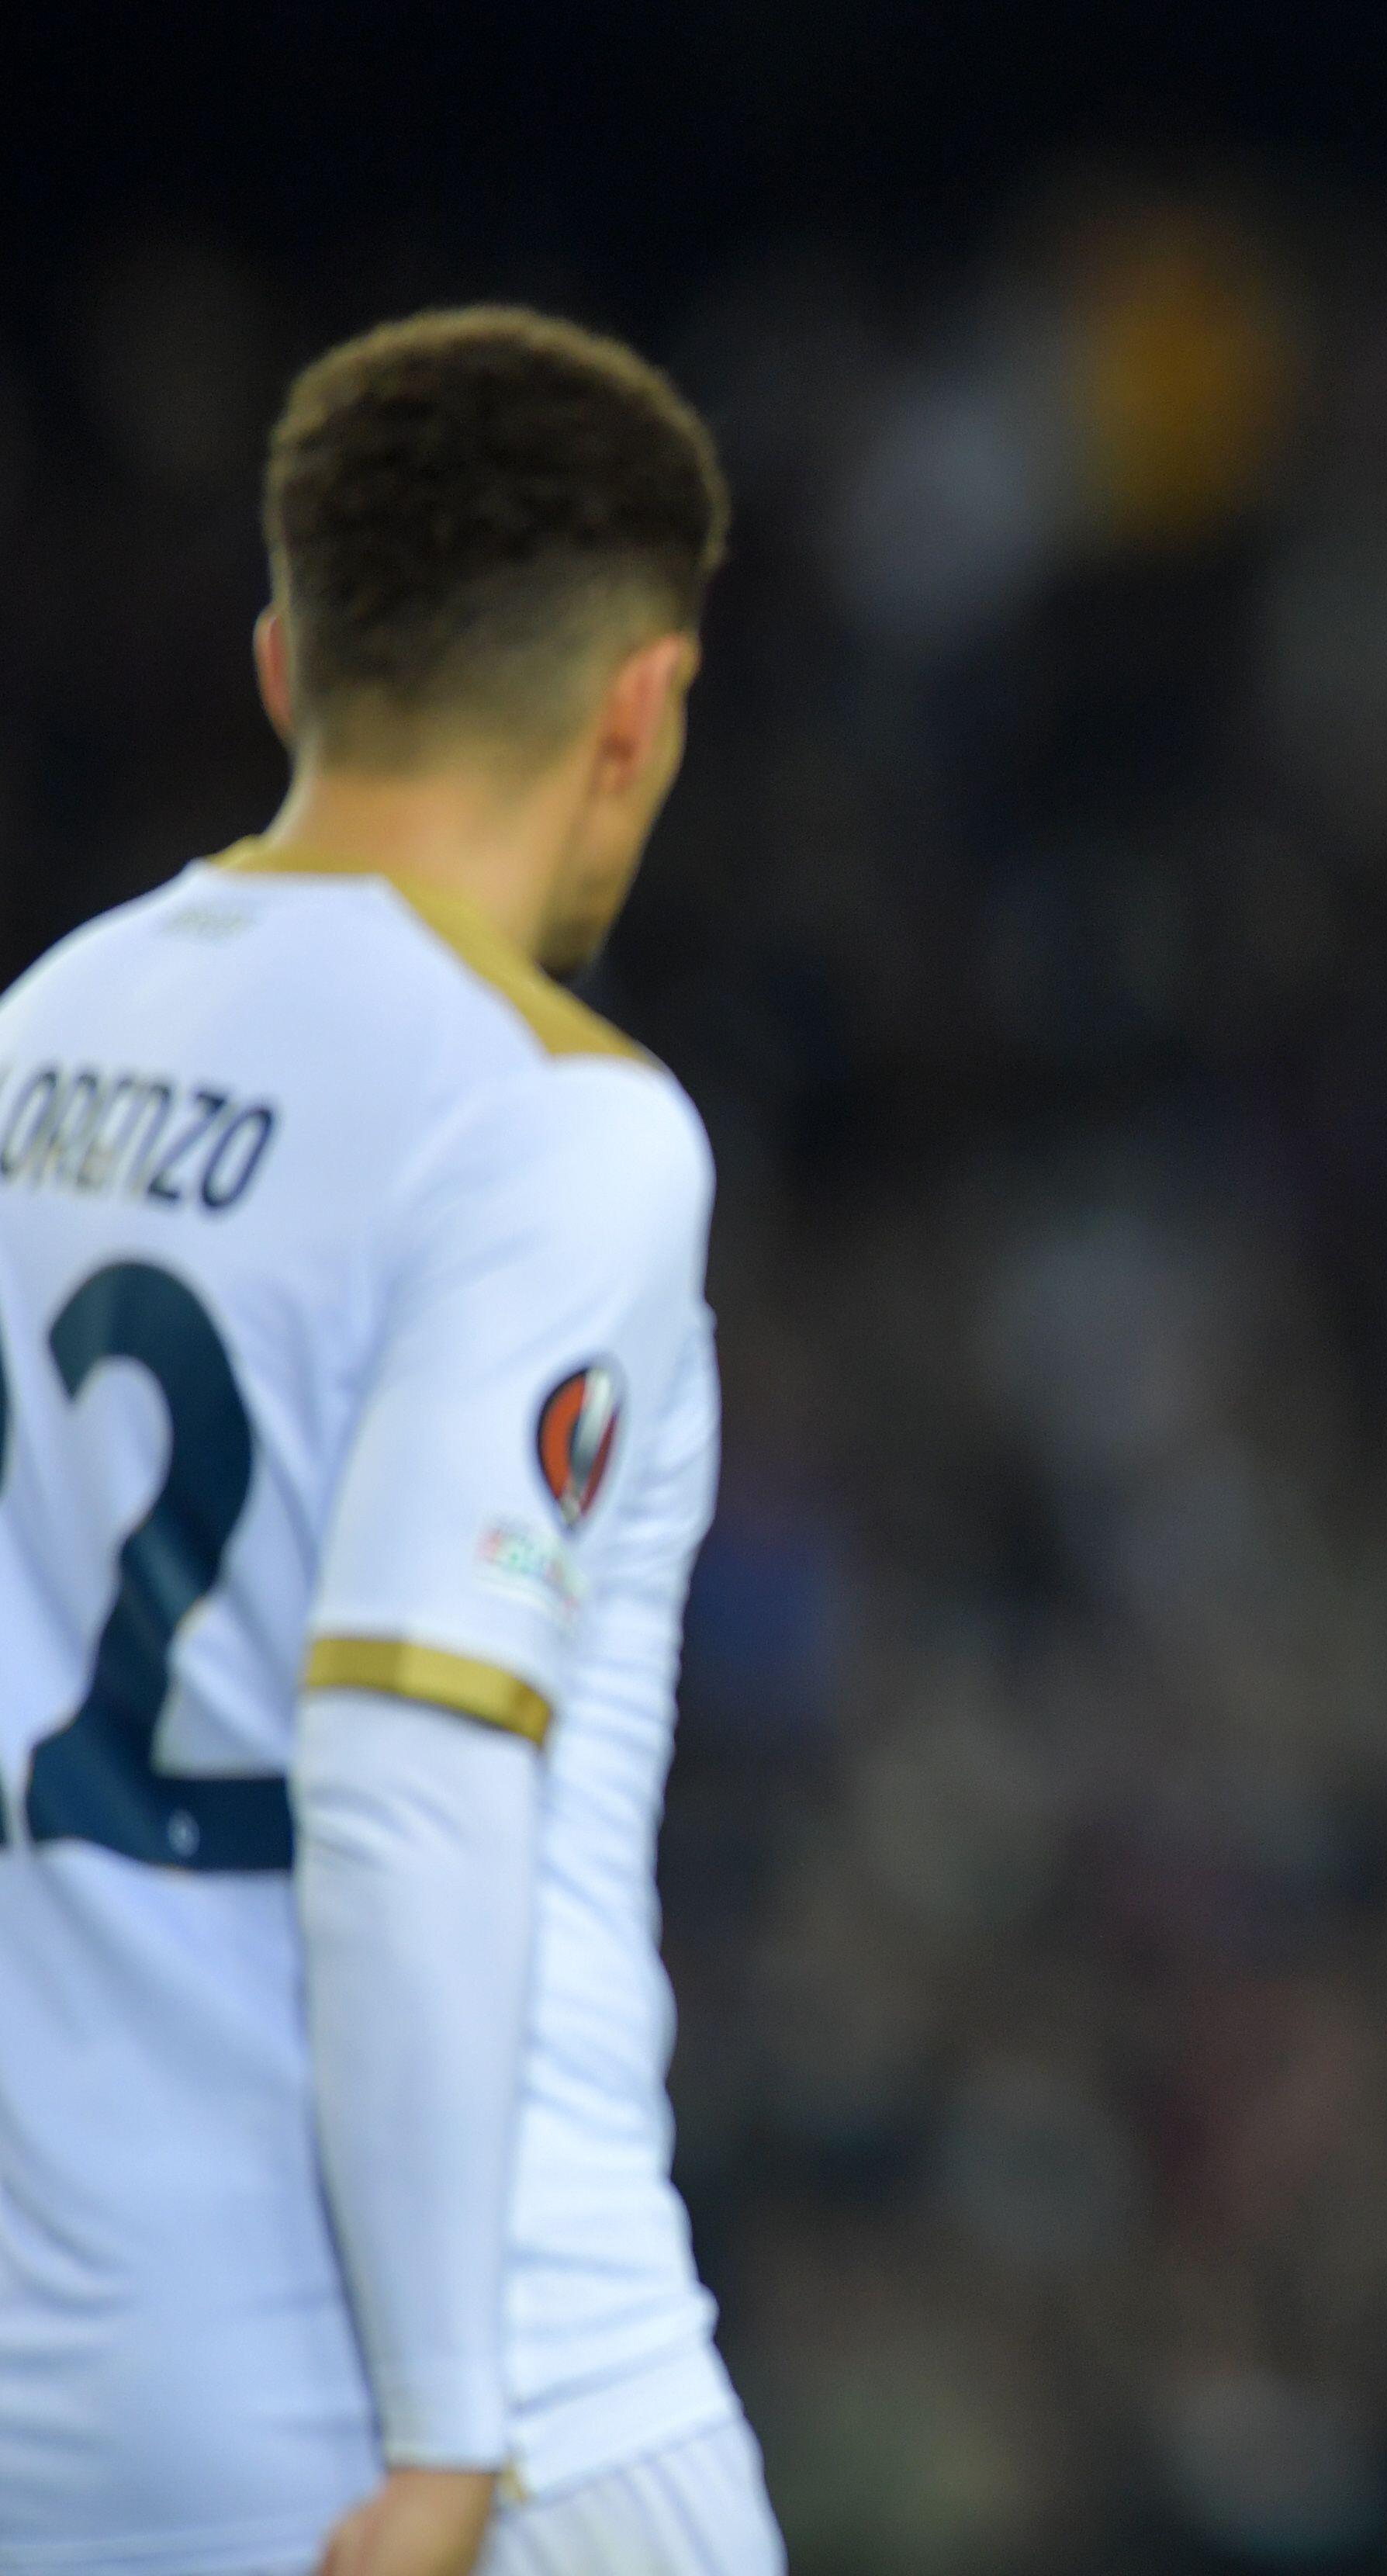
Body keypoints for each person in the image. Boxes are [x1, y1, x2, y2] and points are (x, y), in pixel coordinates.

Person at [0, 310, 774, 2575]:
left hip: (66, 2403)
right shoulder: (553, 1125)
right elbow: (410, 1763)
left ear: (279, 663)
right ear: (641, 708)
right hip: (483, 2391)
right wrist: (445, 2437)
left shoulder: (37, 1042)